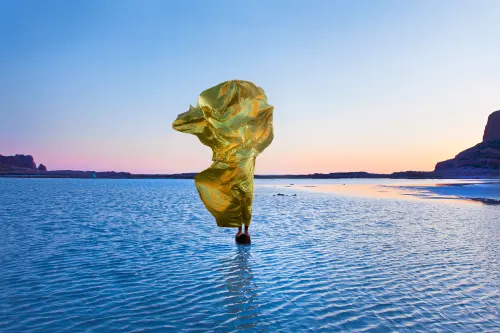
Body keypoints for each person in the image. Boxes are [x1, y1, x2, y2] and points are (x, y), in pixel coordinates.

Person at [172, 80, 274, 244]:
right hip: (243, 174)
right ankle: (242, 231)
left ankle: (241, 230)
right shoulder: (248, 148)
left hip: (240, 173)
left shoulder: (244, 147)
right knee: (244, 200)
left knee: (240, 200)